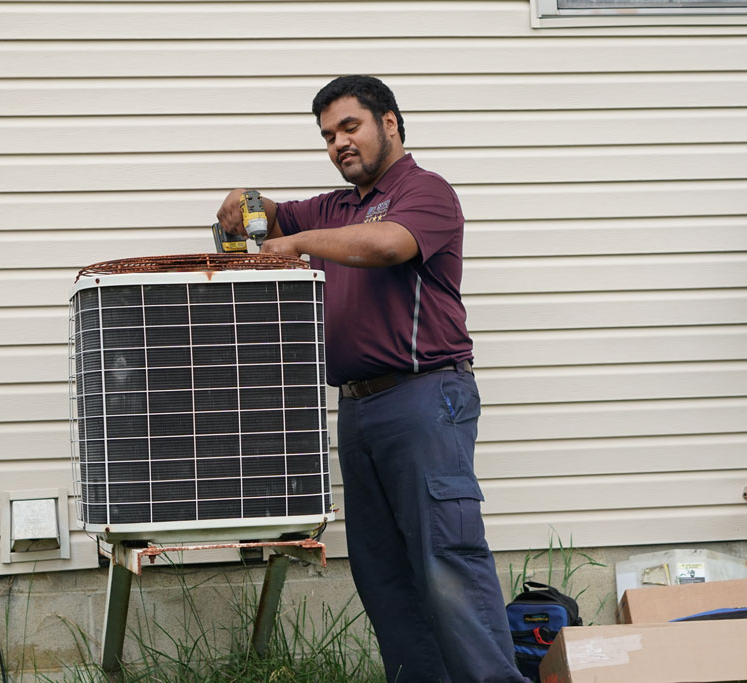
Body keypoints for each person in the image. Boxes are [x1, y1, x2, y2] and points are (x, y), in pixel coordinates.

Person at [216, 75, 526, 683]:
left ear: (389, 122)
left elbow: (388, 245)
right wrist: (245, 199)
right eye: (328, 136)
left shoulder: (426, 191)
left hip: (425, 397)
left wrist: (298, 242)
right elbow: (272, 216)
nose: (338, 144)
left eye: (350, 127)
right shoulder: (335, 208)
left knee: (445, 560)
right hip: (357, 408)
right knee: (382, 571)